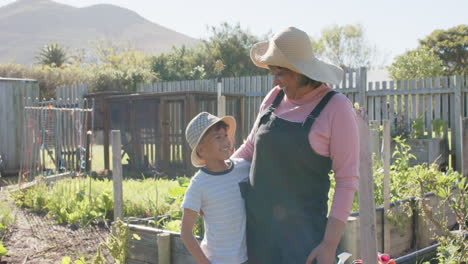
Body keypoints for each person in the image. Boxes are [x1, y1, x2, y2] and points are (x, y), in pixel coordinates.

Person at [233, 26, 360, 264]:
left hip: (302, 242)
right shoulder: (274, 98)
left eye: (280, 73)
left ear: (301, 71)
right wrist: (214, 181)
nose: (275, 80)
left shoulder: (336, 108)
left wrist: (329, 244)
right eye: (273, 72)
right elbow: (250, 148)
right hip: (258, 236)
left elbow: (346, 181)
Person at [181, 112, 250, 264]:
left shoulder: (243, 168)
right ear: (201, 150)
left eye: (225, 135)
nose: (225, 141)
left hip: (246, 258)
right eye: (217, 137)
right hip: (217, 260)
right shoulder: (198, 185)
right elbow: (186, 233)